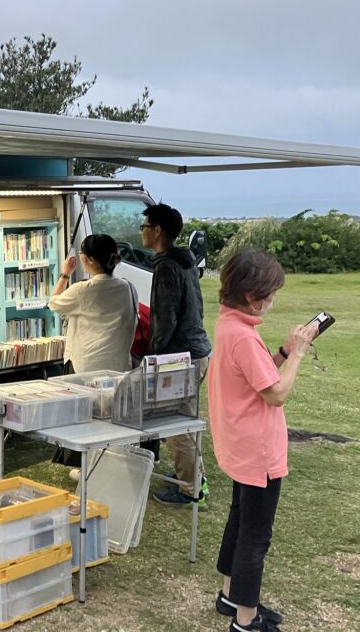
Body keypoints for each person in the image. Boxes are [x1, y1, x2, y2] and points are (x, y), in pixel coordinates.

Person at [208, 249, 316, 631]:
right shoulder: (244, 336)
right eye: (271, 294)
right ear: (254, 298)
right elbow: (275, 393)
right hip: (259, 451)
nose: (273, 301)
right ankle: (246, 620)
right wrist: (298, 354)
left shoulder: (228, 324)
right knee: (255, 536)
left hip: (239, 445)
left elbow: (256, 375)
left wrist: (283, 351)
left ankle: (229, 595)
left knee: (240, 520)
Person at [140, 203, 213, 505]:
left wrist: (152, 357)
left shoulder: (167, 267)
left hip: (180, 357)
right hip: (196, 350)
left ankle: (190, 490)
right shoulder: (185, 261)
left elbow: (165, 318)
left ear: (157, 230)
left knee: (176, 425)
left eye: (144, 226)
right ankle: (195, 480)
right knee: (185, 419)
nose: (142, 232)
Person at [47, 234, 137, 373]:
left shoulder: (82, 290)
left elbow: (53, 303)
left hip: (86, 368)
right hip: (120, 367)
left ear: (91, 259)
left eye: (81, 253)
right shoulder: (129, 288)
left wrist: (65, 274)